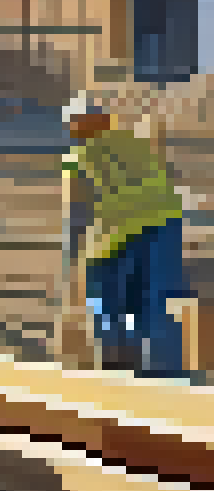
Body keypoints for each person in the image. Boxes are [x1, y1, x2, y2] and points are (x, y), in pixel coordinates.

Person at [64, 95, 192, 377]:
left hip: (115, 234)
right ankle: (159, 372)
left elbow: (78, 213)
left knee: (106, 307)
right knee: (150, 304)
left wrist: (74, 260)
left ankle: (114, 373)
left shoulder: (77, 158)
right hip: (164, 224)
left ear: (75, 127)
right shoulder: (133, 142)